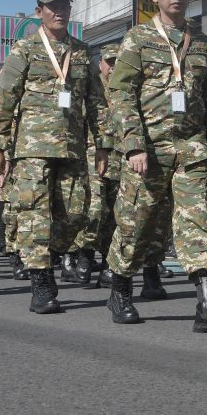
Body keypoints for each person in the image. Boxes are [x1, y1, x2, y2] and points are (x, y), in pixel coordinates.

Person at [104, 0, 207, 332]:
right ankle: (120, 289)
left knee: (201, 225)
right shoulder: (138, 39)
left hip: (192, 150)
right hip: (148, 150)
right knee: (136, 226)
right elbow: (120, 93)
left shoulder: (200, 43)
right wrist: (133, 145)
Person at [0, 0, 110, 313]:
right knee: (34, 216)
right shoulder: (24, 49)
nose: (59, 11)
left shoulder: (82, 51)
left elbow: (96, 103)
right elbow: (4, 98)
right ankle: (41, 283)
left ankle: (51, 258)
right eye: (51, 6)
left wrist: (102, 145)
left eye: (64, 6)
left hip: (71, 149)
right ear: (39, 10)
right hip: (32, 149)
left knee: (74, 214)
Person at [74, 43, 127, 290]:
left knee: (114, 215)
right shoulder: (93, 89)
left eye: (118, 61)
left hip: (123, 159)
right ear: (101, 64)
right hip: (93, 157)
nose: (114, 66)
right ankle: (84, 256)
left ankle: (107, 265)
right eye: (110, 61)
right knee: (93, 209)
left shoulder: (126, 88)